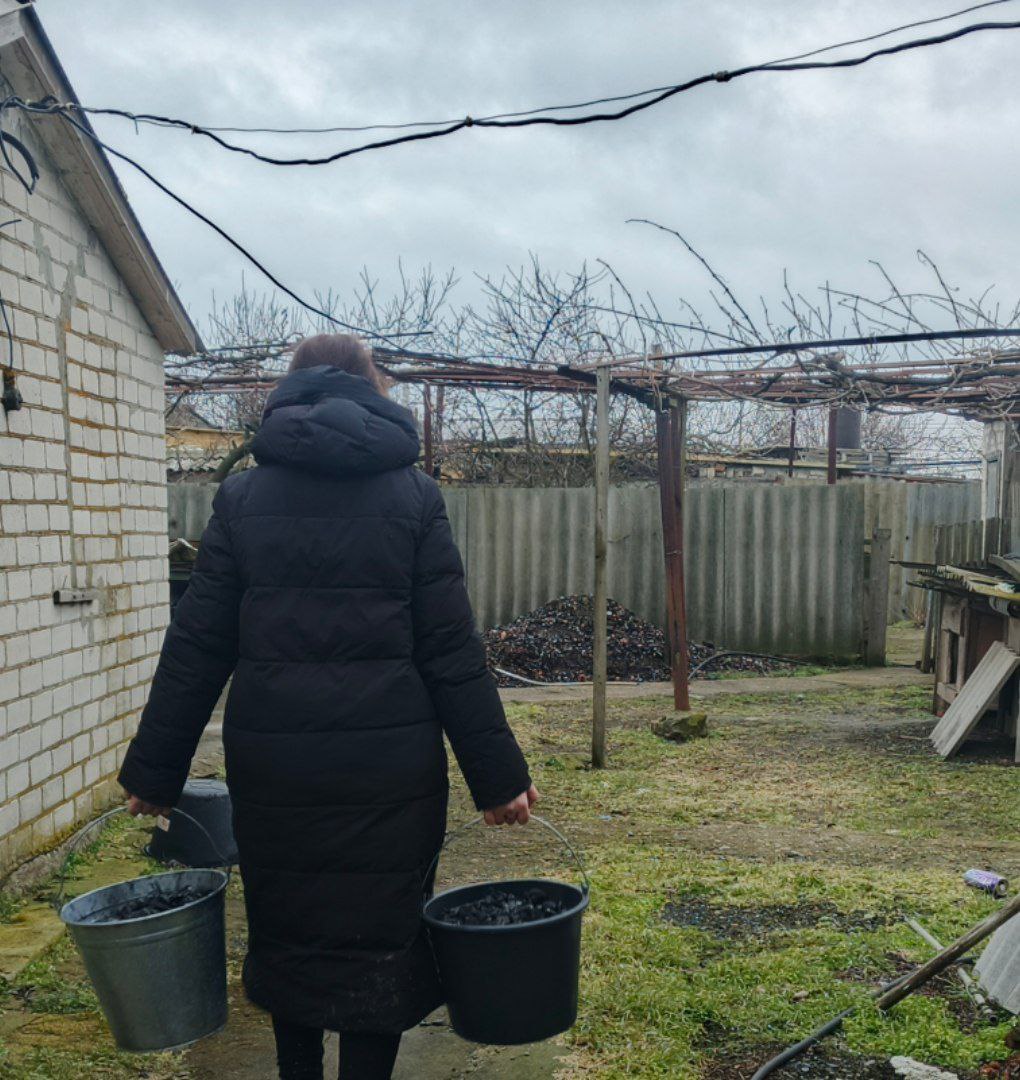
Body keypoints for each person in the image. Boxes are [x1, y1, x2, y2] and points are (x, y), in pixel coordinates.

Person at [119, 334, 537, 1080]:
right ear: (371, 388)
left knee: (291, 926)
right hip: (391, 766)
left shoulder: (243, 497)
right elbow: (449, 650)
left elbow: (197, 646)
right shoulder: (413, 497)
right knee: (382, 929)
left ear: (289, 392)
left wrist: (155, 773)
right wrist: (498, 779)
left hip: (278, 762)